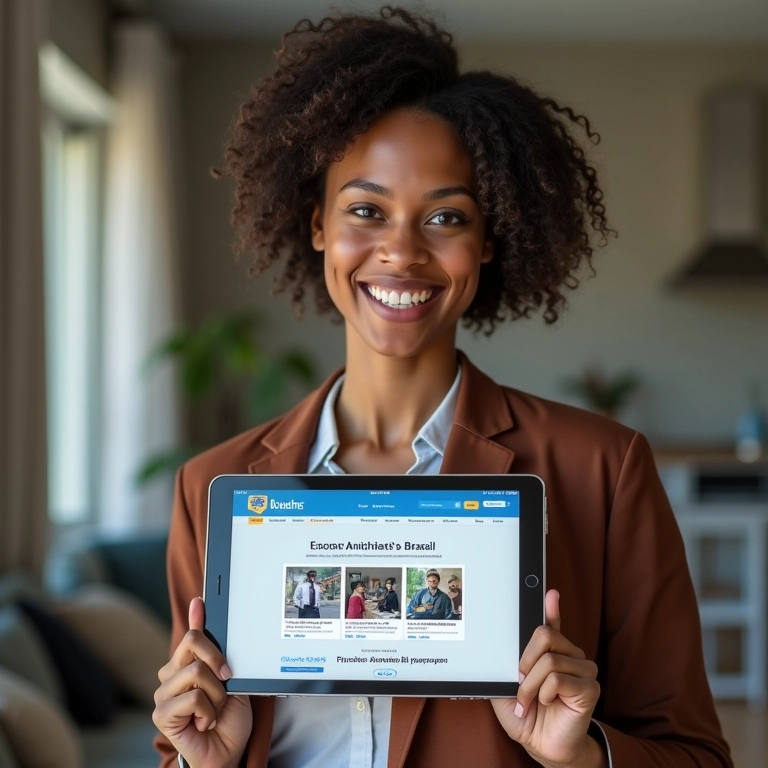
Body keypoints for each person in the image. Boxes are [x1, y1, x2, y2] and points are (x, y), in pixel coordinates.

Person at [152, 7, 732, 768]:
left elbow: (694, 756)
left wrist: (582, 755)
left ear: (489, 241)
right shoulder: (210, 489)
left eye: (446, 217)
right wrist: (205, 763)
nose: (400, 252)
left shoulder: (604, 471)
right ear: (318, 223)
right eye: (366, 210)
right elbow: (181, 748)